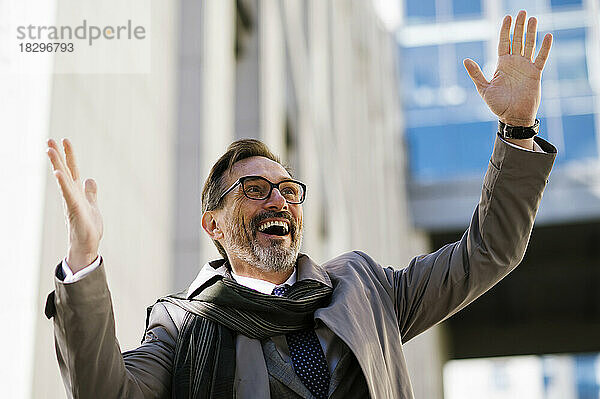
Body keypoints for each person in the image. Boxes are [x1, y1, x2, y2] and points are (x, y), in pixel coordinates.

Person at [45, 10, 556, 399]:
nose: (278, 201)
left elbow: (489, 252)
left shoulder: (365, 291)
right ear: (213, 225)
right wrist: (85, 261)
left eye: (288, 190)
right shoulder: (181, 330)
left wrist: (516, 131)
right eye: (253, 190)